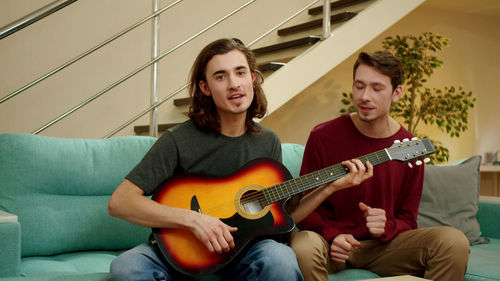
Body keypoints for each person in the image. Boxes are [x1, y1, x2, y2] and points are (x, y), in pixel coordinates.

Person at [107, 38, 304, 281]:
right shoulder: (178, 139)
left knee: (281, 259)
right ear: (205, 88)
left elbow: (276, 211)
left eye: (240, 72)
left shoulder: (268, 141)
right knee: (127, 267)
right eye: (220, 76)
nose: (234, 84)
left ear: (252, 78)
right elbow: (120, 202)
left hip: (245, 253)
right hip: (181, 254)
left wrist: (332, 185)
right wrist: (193, 220)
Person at [289, 50, 470, 281]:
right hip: (328, 246)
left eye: (377, 88)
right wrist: (332, 236)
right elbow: (303, 209)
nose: (365, 96)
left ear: (396, 93)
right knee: (303, 247)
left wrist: (387, 226)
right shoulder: (323, 136)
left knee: (453, 242)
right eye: (359, 86)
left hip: (382, 248)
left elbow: (408, 219)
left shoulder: (409, 148)